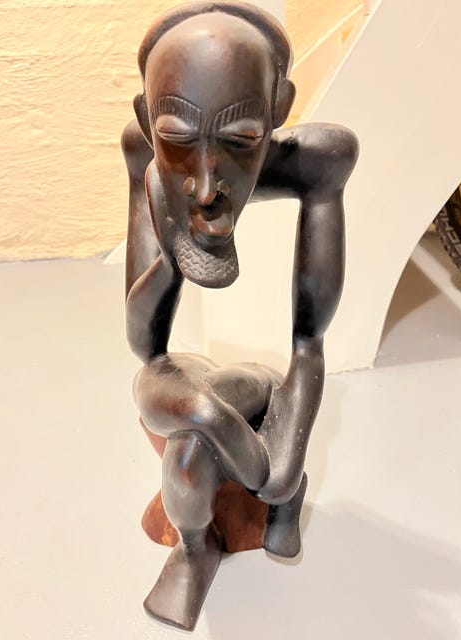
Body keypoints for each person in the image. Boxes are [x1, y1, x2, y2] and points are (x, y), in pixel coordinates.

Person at [122, 1, 358, 630]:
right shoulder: (144, 159)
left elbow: (309, 340)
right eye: (176, 139)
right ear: (146, 119)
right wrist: (170, 250)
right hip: (188, 380)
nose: (205, 187)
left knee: (192, 453)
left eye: (242, 140)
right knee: (193, 414)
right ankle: (200, 543)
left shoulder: (319, 162)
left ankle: (236, 519)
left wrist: (286, 453)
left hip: (250, 385)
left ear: (279, 108)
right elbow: (145, 347)